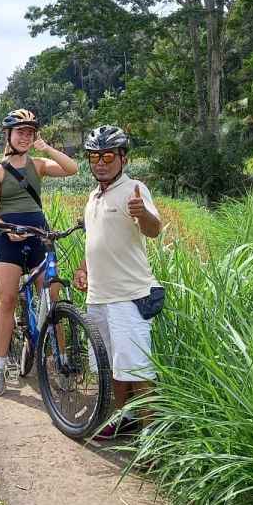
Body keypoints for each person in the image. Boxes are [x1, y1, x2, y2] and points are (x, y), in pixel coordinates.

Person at [71, 125, 163, 439]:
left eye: (108, 155)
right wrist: (83, 268)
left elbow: (153, 230)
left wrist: (143, 214)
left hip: (128, 295)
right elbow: (95, 239)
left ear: (123, 158)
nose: (101, 161)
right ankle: (126, 419)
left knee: (137, 368)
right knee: (111, 364)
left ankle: (151, 438)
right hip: (98, 295)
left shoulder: (134, 189)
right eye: (95, 156)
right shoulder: (93, 195)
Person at [0, 109, 78, 397]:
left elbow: (72, 169)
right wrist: (4, 227)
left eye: (30, 132)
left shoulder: (38, 164)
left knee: (52, 298)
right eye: (19, 132)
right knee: (7, 298)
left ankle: (59, 362)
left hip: (39, 233)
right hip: (6, 235)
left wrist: (47, 148)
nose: (25, 137)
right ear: (8, 135)